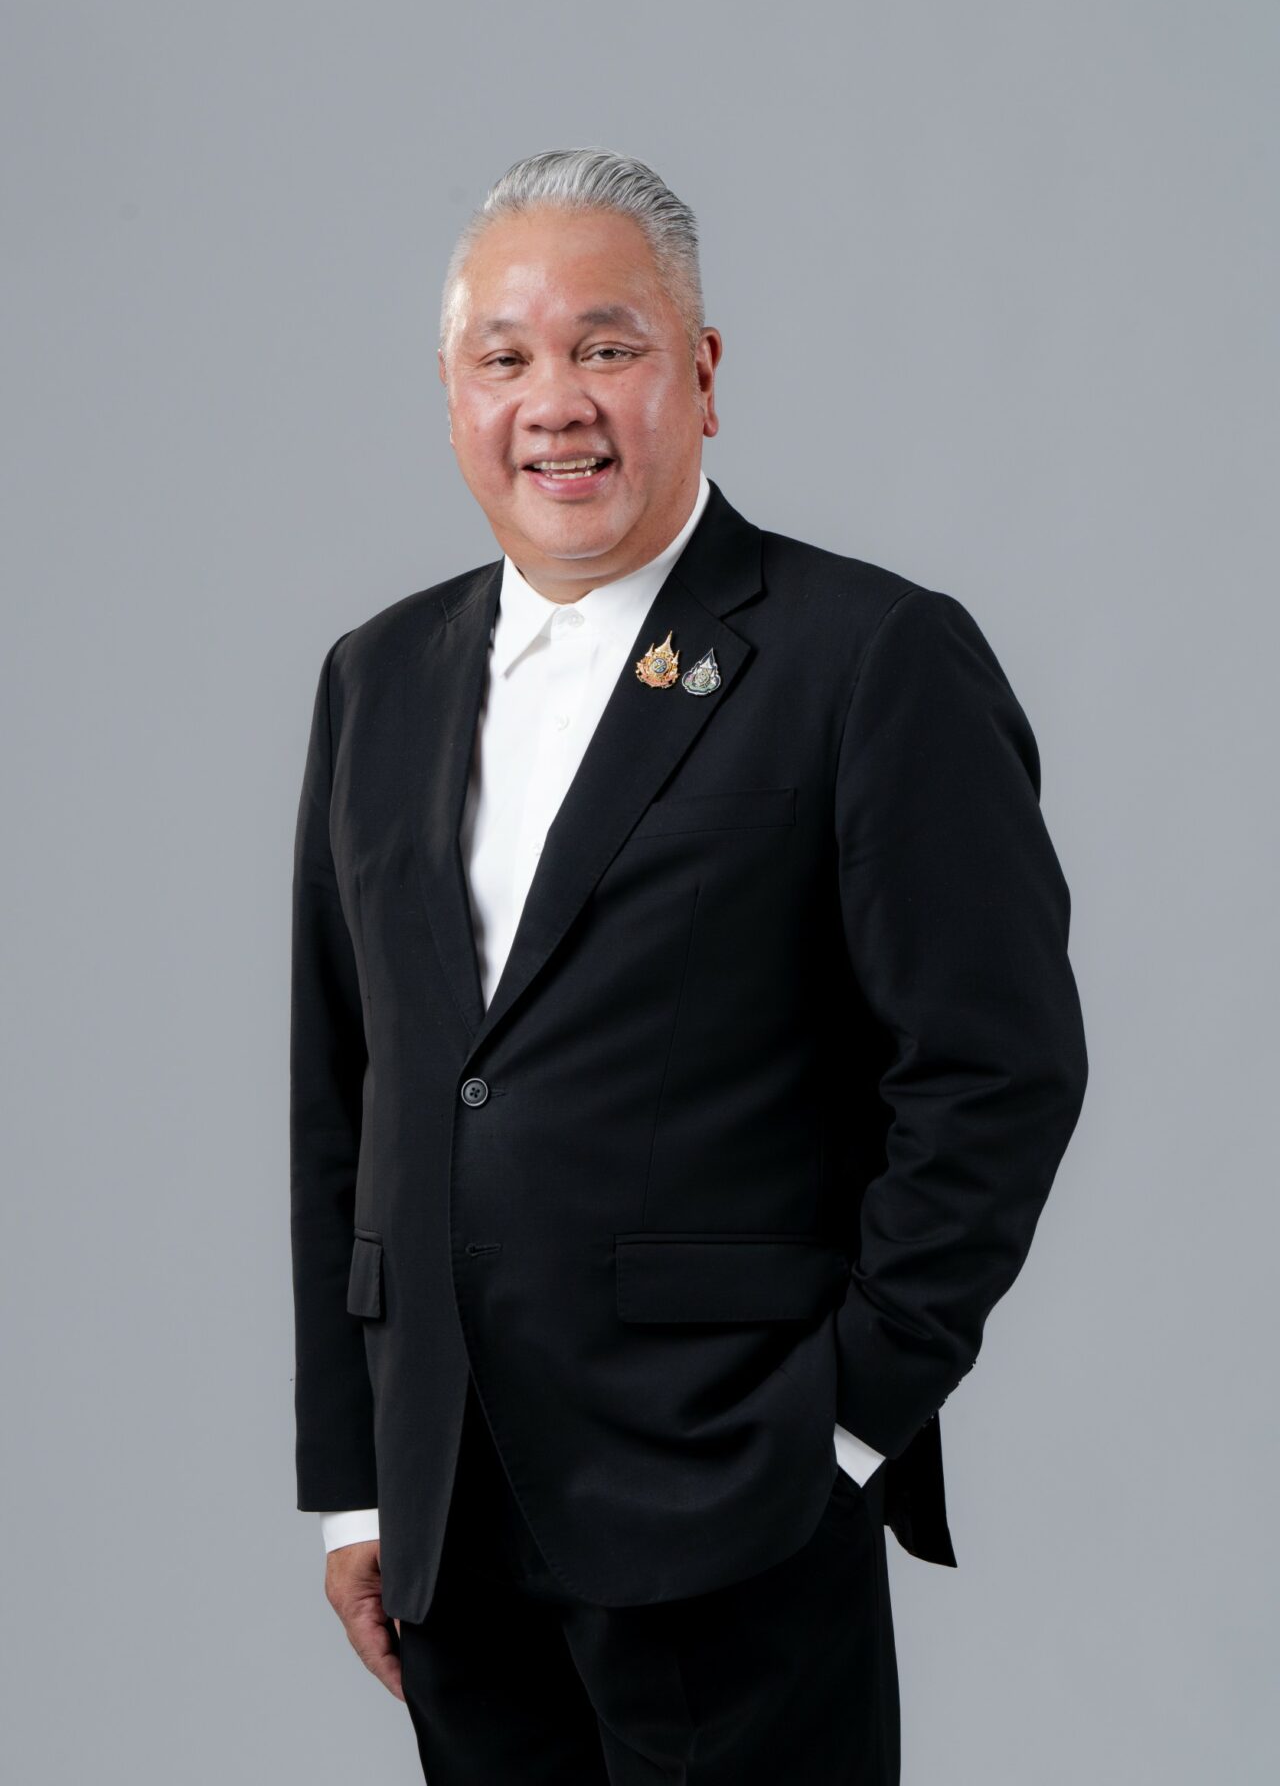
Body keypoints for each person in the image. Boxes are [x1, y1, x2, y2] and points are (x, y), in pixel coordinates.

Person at [290, 147, 1088, 1782]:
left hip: (735, 1508)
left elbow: (998, 1073)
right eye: (506, 358)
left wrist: (842, 1429)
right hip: (451, 1518)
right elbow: (344, 1096)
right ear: (452, 395)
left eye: (608, 346)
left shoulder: (868, 657)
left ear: (702, 374)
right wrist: (356, 1485)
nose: (556, 404)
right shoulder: (377, 679)